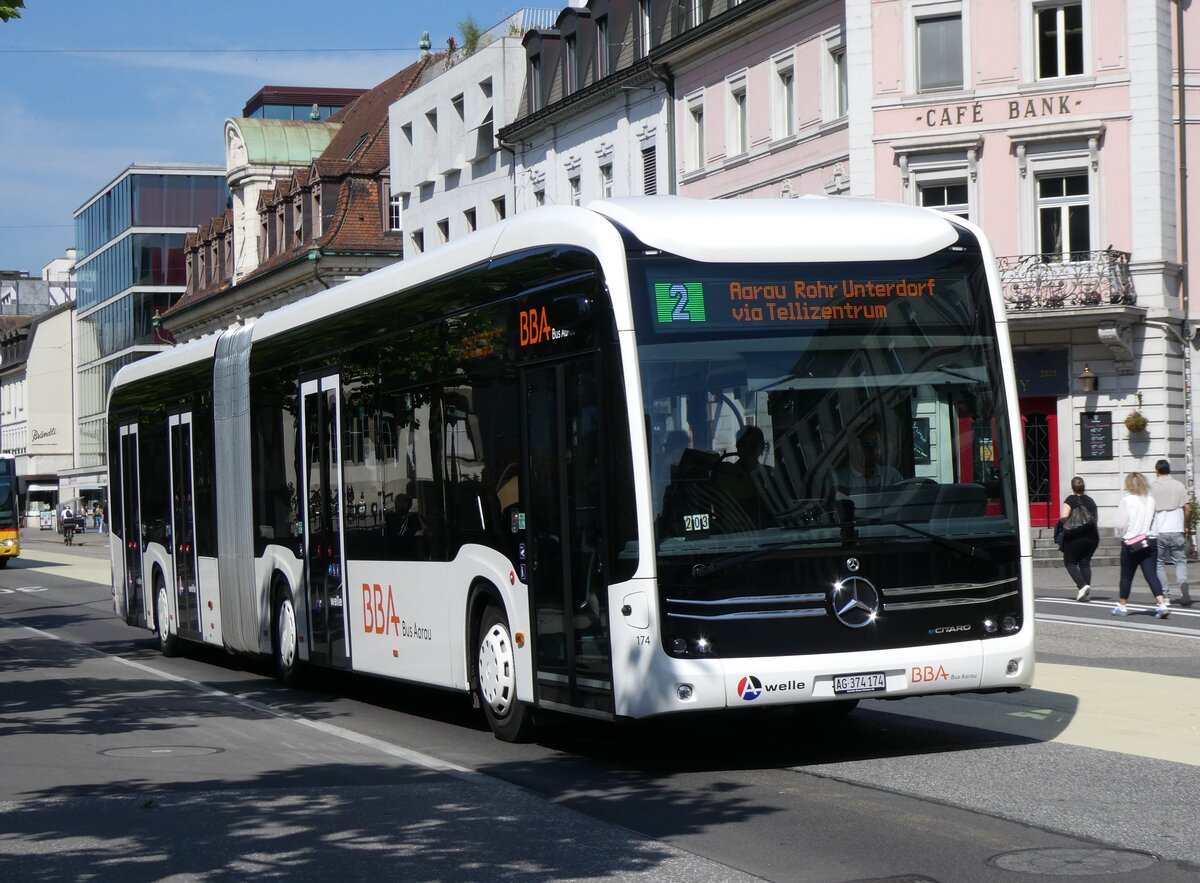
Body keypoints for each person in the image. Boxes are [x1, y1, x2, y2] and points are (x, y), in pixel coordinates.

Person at [1114, 472, 1170, 618]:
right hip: (1149, 540)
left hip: (1131, 542)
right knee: (1151, 574)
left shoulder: (1127, 500)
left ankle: (1122, 606)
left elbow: (1120, 523)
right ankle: (1162, 604)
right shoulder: (1151, 500)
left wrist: (1121, 535)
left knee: (1126, 576)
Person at [1150, 459, 1191, 606]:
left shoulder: (1152, 487)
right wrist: (1186, 525)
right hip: (1176, 528)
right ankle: (1183, 589)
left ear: (1157, 470)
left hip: (1159, 529)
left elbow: (1148, 510)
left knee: (1158, 563)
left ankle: (1165, 596)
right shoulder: (1179, 485)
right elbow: (1188, 508)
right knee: (1180, 561)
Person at [1060, 476, 1099, 602]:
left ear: (1072, 487)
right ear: (1083, 487)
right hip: (1092, 536)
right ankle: (1084, 593)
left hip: (1076, 536)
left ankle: (1082, 586)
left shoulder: (1070, 499)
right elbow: (1095, 519)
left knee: (1069, 562)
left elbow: (1064, 517)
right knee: (1085, 562)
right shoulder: (1091, 501)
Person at [833, 423, 904, 493]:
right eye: (867, 445)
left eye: (877, 445)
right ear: (852, 447)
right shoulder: (838, 479)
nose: (874, 451)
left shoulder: (892, 476)